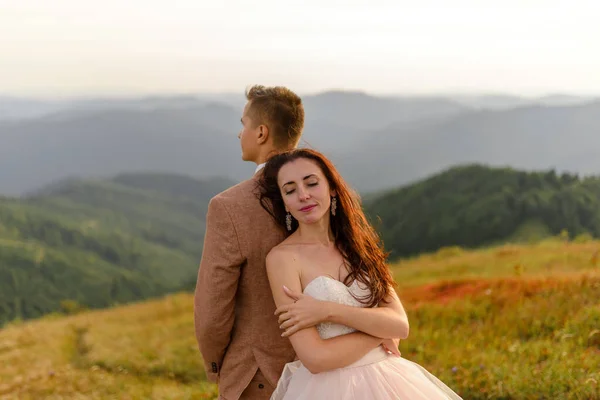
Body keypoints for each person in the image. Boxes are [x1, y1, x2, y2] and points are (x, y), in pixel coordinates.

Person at [257, 148, 463, 400]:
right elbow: (315, 358)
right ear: (285, 203)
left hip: (390, 381)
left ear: (332, 188)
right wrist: (379, 333)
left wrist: (327, 311)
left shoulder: (359, 246)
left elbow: (400, 324)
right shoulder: (282, 259)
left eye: (311, 183)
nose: (303, 195)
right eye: (290, 190)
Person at [194, 85, 306, 400]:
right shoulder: (324, 194)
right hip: (327, 368)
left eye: (243, 124)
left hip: (258, 373)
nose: (238, 133)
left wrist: (217, 363)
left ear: (261, 133)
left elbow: (213, 305)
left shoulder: (229, 206)